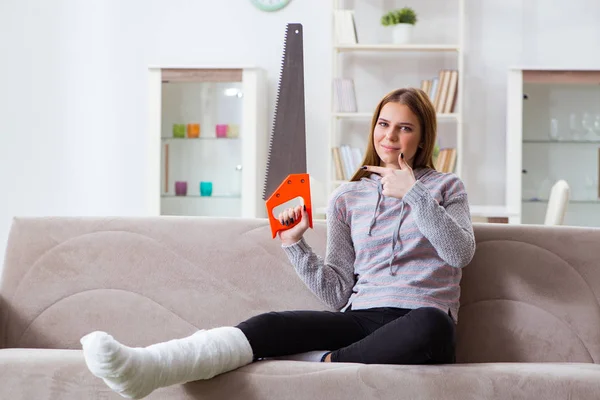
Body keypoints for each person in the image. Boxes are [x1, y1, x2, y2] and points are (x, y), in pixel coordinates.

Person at [80, 87, 476, 399]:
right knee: (271, 324)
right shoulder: (347, 197)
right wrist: (293, 244)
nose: (390, 136)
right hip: (362, 319)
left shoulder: (445, 187)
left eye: (405, 128)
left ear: (422, 138)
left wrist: (414, 194)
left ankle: (325, 362)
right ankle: (146, 368)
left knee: (432, 323)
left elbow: (460, 253)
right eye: (384, 124)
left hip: (422, 322)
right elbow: (338, 293)